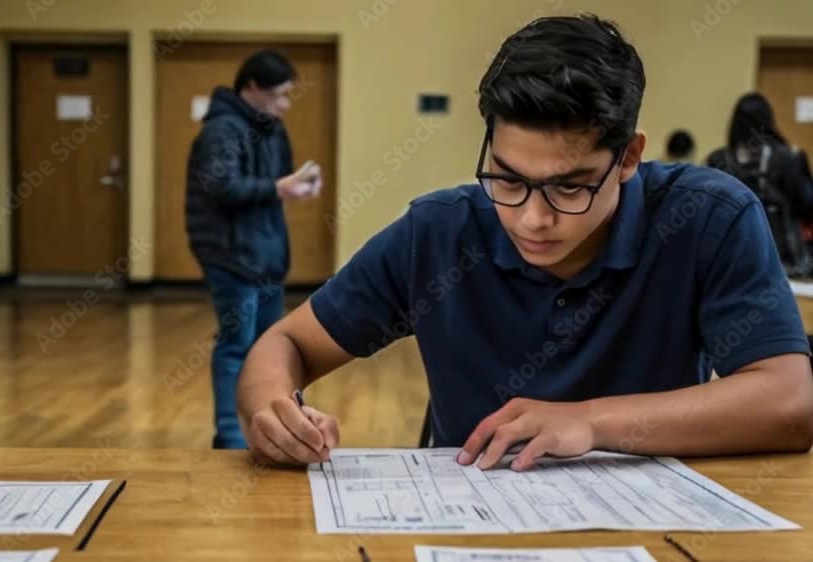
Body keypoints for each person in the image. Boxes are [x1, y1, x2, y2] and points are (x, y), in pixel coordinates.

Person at [236, 15, 813, 470]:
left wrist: (589, 422)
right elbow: (285, 345)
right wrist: (270, 411)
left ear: (628, 158)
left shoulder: (708, 217)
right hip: (473, 519)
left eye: (570, 187)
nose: (533, 219)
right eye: (507, 179)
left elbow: (789, 402)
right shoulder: (440, 232)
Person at [186, 49, 322, 449]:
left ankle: (271, 429)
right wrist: (280, 188)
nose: (283, 105)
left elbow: (280, 180)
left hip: (266, 254)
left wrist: (300, 184)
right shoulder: (221, 130)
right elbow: (220, 187)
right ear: (252, 88)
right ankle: (230, 437)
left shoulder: (271, 127)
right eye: (278, 95)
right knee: (235, 346)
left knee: (270, 348)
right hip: (230, 255)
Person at [706, 93, 813, 276]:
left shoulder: (718, 160)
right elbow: (808, 205)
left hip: (728, 259)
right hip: (782, 261)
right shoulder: (786, 158)